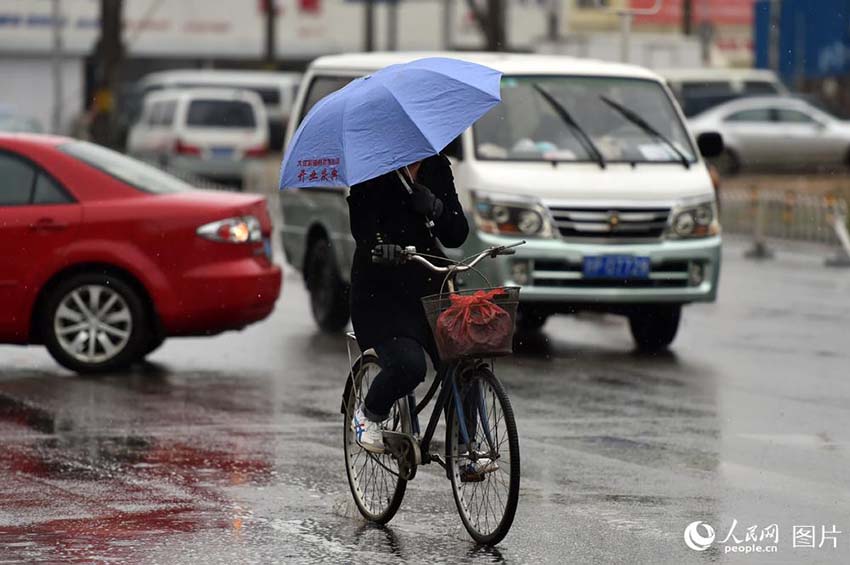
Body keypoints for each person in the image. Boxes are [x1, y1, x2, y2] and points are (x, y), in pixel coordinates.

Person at [348, 153, 469, 453]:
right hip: (381, 294)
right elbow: (363, 228)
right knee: (409, 366)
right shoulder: (371, 168)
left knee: (463, 362)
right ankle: (368, 414)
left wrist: (437, 208)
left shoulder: (437, 167)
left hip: (428, 283)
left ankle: (467, 449)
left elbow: (456, 234)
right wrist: (381, 246)